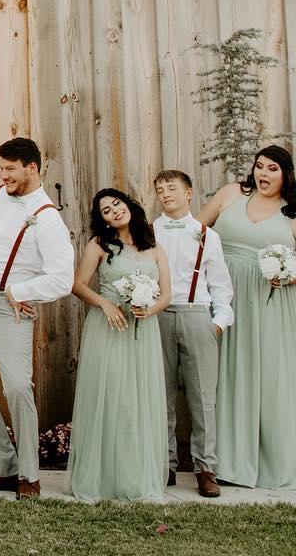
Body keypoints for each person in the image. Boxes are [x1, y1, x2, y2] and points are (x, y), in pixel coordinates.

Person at [0, 137, 74, 499]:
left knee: (19, 388)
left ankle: (29, 475)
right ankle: (4, 464)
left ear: (32, 168)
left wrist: (21, 291)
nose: (3, 175)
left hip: (8, 311)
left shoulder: (47, 218)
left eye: (10, 169)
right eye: (1, 168)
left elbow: (62, 279)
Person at [198, 145, 296, 489]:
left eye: (272, 168)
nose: (263, 173)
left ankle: (274, 463)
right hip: (223, 296)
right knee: (224, 374)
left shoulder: (292, 212)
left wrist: (289, 275)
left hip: (272, 303)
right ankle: (222, 463)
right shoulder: (231, 194)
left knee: (270, 376)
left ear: (286, 175)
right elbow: (193, 232)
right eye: (259, 166)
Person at [69, 188, 170, 502]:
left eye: (117, 204)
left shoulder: (153, 246)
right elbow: (77, 285)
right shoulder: (99, 245)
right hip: (109, 329)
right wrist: (105, 303)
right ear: (104, 221)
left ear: (128, 205)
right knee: (113, 396)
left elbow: (167, 295)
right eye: (106, 210)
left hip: (143, 330)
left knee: (139, 400)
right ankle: (104, 477)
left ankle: (136, 476)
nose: (114, 210)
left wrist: (148, 310)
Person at [153, 168, 232, 497]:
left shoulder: (207, 235)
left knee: (202, 398)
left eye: (171, 188)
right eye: (160, 190)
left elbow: (221, 286)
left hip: (197, 313)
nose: (165, 194)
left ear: (188, 193)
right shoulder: (149, 232)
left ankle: (205, 468)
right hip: (158, 316)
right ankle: (165, 464)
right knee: (160, 393)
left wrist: (217, 322)